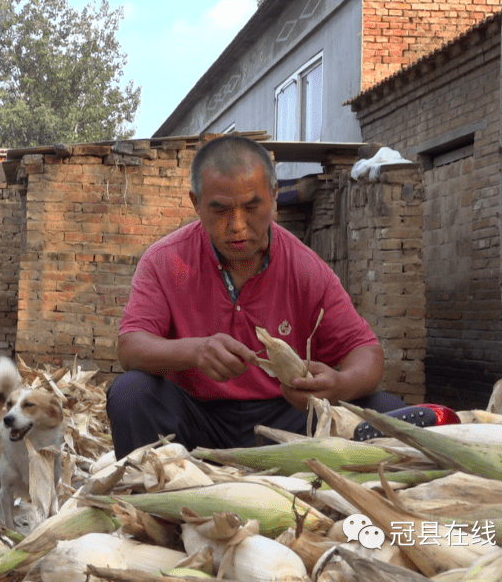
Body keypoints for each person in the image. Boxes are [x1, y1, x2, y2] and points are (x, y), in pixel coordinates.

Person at [105, 135, 405, 459]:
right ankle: (157, 498)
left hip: (287, 419)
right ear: (196, 203)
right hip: (198, 421)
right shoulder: (166, 260)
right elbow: (131, 346)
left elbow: (365, 350)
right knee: (130, 393)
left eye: (252, 207)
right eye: (220, 210)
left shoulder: (304, 266)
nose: (237, 225)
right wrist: (196, 351)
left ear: (274, 196)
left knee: (386, 409)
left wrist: (340, 385)